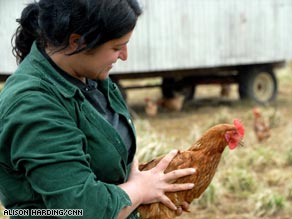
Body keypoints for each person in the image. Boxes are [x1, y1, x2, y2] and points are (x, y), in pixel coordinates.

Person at [0, 0, 196, 218]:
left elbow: (111, 161)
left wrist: (153, 194)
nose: (124, 56)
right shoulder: (33, 106)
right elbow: (82, 208)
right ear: (76, 42)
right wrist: (140, 191)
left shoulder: (87, 76)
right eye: (116, 47)